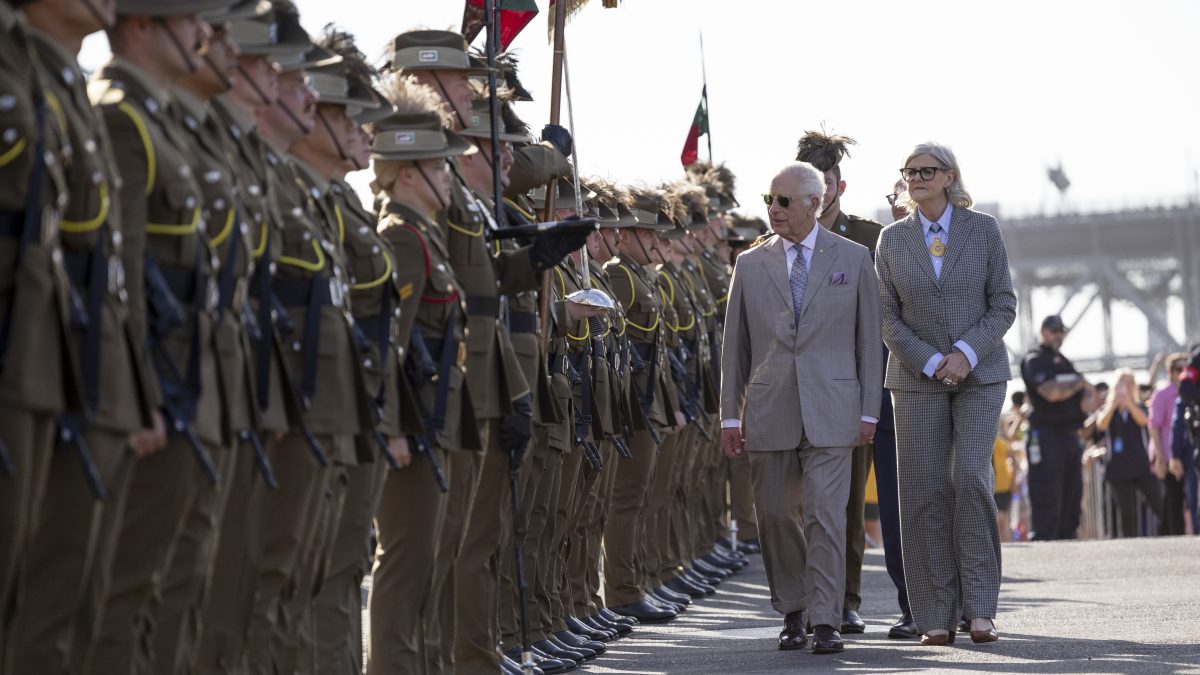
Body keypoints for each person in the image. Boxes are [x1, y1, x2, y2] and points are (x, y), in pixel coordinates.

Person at [10, 0, 157, 671]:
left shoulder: (61, 78)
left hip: (56, 359)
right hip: (32, 356)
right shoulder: (31, 67)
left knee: (67, 596)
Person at [86, 1, 226, 670]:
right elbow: (123, 269)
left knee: (167, 588)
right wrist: (139, 390)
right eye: (189, 18)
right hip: (153, 393)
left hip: (182, 388)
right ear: (143, 25)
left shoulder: (158, 122)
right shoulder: (121, 114)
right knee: (120, 598)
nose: (203, 32)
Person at [721, 161, 882, 654]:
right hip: (769, 410)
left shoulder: (854, 259)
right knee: (773, 514)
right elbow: (734, 348)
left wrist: (870, 411)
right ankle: (793, 609)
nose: (774, 210)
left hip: (835, 410)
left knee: (826, 517)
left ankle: (828, 619)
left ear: (816, 202)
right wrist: (730, 414)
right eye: (769, 200)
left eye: (785, 201)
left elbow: (869, 342)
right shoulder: (749, 264)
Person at [875, 141, 1016, 645]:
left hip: (980, 374)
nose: (915, 179)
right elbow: (888, 318)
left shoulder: (983, 229)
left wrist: (964, 352)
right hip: (916, 378)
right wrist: (933, 361)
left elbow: (1003, 304)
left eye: (926, 171)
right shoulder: (891, 240)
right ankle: (934, 614)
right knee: (922, 491)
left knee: (970, 479)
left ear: (950, 177)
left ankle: (980, 609)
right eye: (909, 172)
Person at [796, 129, 884, 636]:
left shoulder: (868, 239)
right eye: (812, 181)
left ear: (840, 186)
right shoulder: (776, 240)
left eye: (827, 181)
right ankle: (807, 598)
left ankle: (844, 598)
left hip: (850, 390)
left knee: (847, 500)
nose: (821, 191)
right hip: (795, 391)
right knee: (797, 502)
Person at [1021, 314, 1100, 541]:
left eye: (1061, 331)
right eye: (1054, 330)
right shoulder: (1035, 359)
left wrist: (1092, 394)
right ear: (1043, 332)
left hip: (1070, 436)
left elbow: (1087, 401)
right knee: (1049, 493)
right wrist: (1080, 383)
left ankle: (1068, 543)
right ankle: (1046, 544)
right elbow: (1052, 392)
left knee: (1071, 496)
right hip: (1046, 437)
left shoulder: (1064, 361)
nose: (1059, 335)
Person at [1097, 369, 1163, 537]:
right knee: (1127, 513)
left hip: (1141, 465)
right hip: (1118, 468)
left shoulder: (1139, 405)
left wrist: (1129, 403)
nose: (1125, 386)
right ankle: (1129, 545)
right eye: (1121, 383)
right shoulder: (1109, 408)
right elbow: (1101, 425)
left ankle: (1169, 535)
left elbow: (1144, 421)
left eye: (1129, 382)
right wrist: (1113, 405)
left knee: (1158, 503)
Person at [1149, 353, 1190, 535]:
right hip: (1167, 454)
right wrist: (1160, 457)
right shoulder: (1162, 394)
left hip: (1186, 453)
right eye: (1179, 369)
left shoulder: (1191, 392)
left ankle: (1165, 535)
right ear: (1170, 372)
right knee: (1173, 498)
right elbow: (1154, 426)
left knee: (1176, 499)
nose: (1183, 373)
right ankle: (1176, 538)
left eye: (1186, 369)